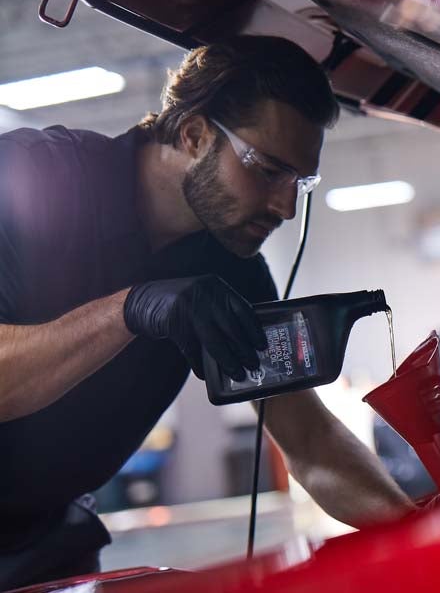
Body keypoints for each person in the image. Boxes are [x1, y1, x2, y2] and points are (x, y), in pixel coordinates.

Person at [0, 35, 415, 589]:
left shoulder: (231, 274)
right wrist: (132, 308)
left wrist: (423, 538)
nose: (286, 207)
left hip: (42, 544)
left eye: (301, 182)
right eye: (268, 169)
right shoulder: (34, 179)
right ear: (194, 134)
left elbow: (312, 444)